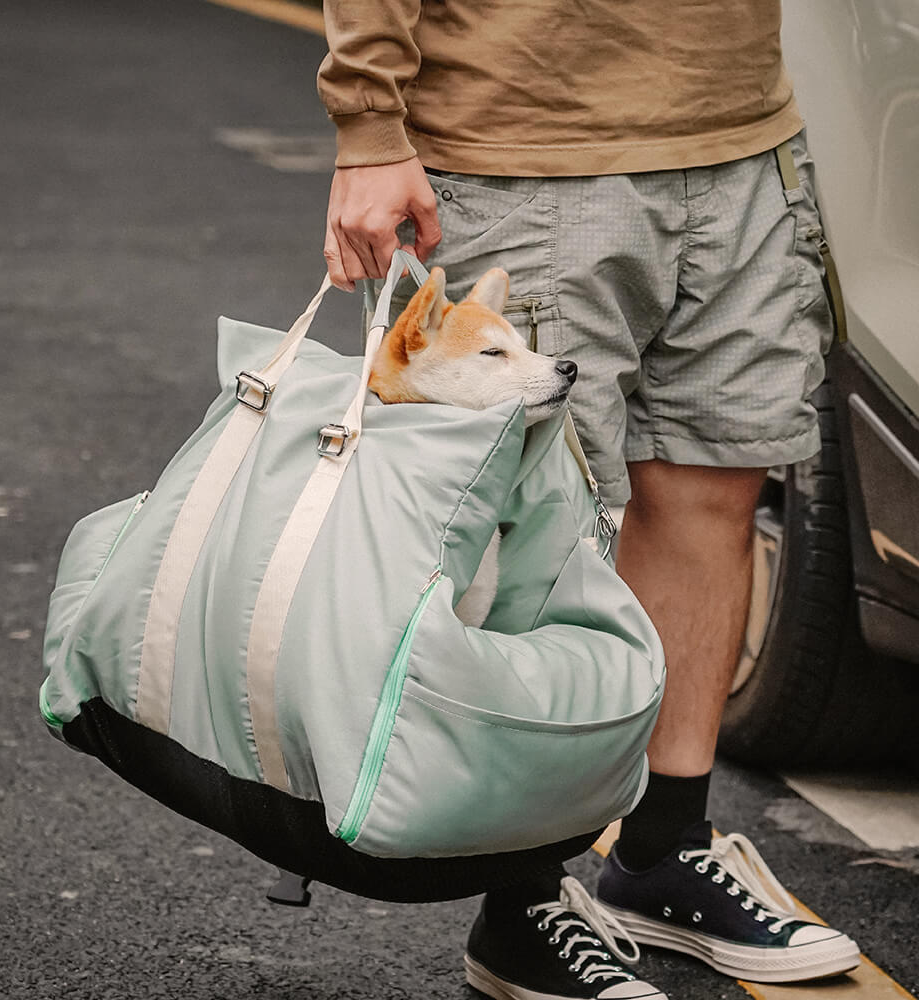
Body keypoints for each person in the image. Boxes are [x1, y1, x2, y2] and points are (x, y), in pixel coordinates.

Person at [317, 3, 860, 997]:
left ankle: (661, 852)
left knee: (712, 484)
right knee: (540, 534)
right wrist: (367, 117)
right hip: (524, 139)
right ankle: (520, 902)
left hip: (742, 131)